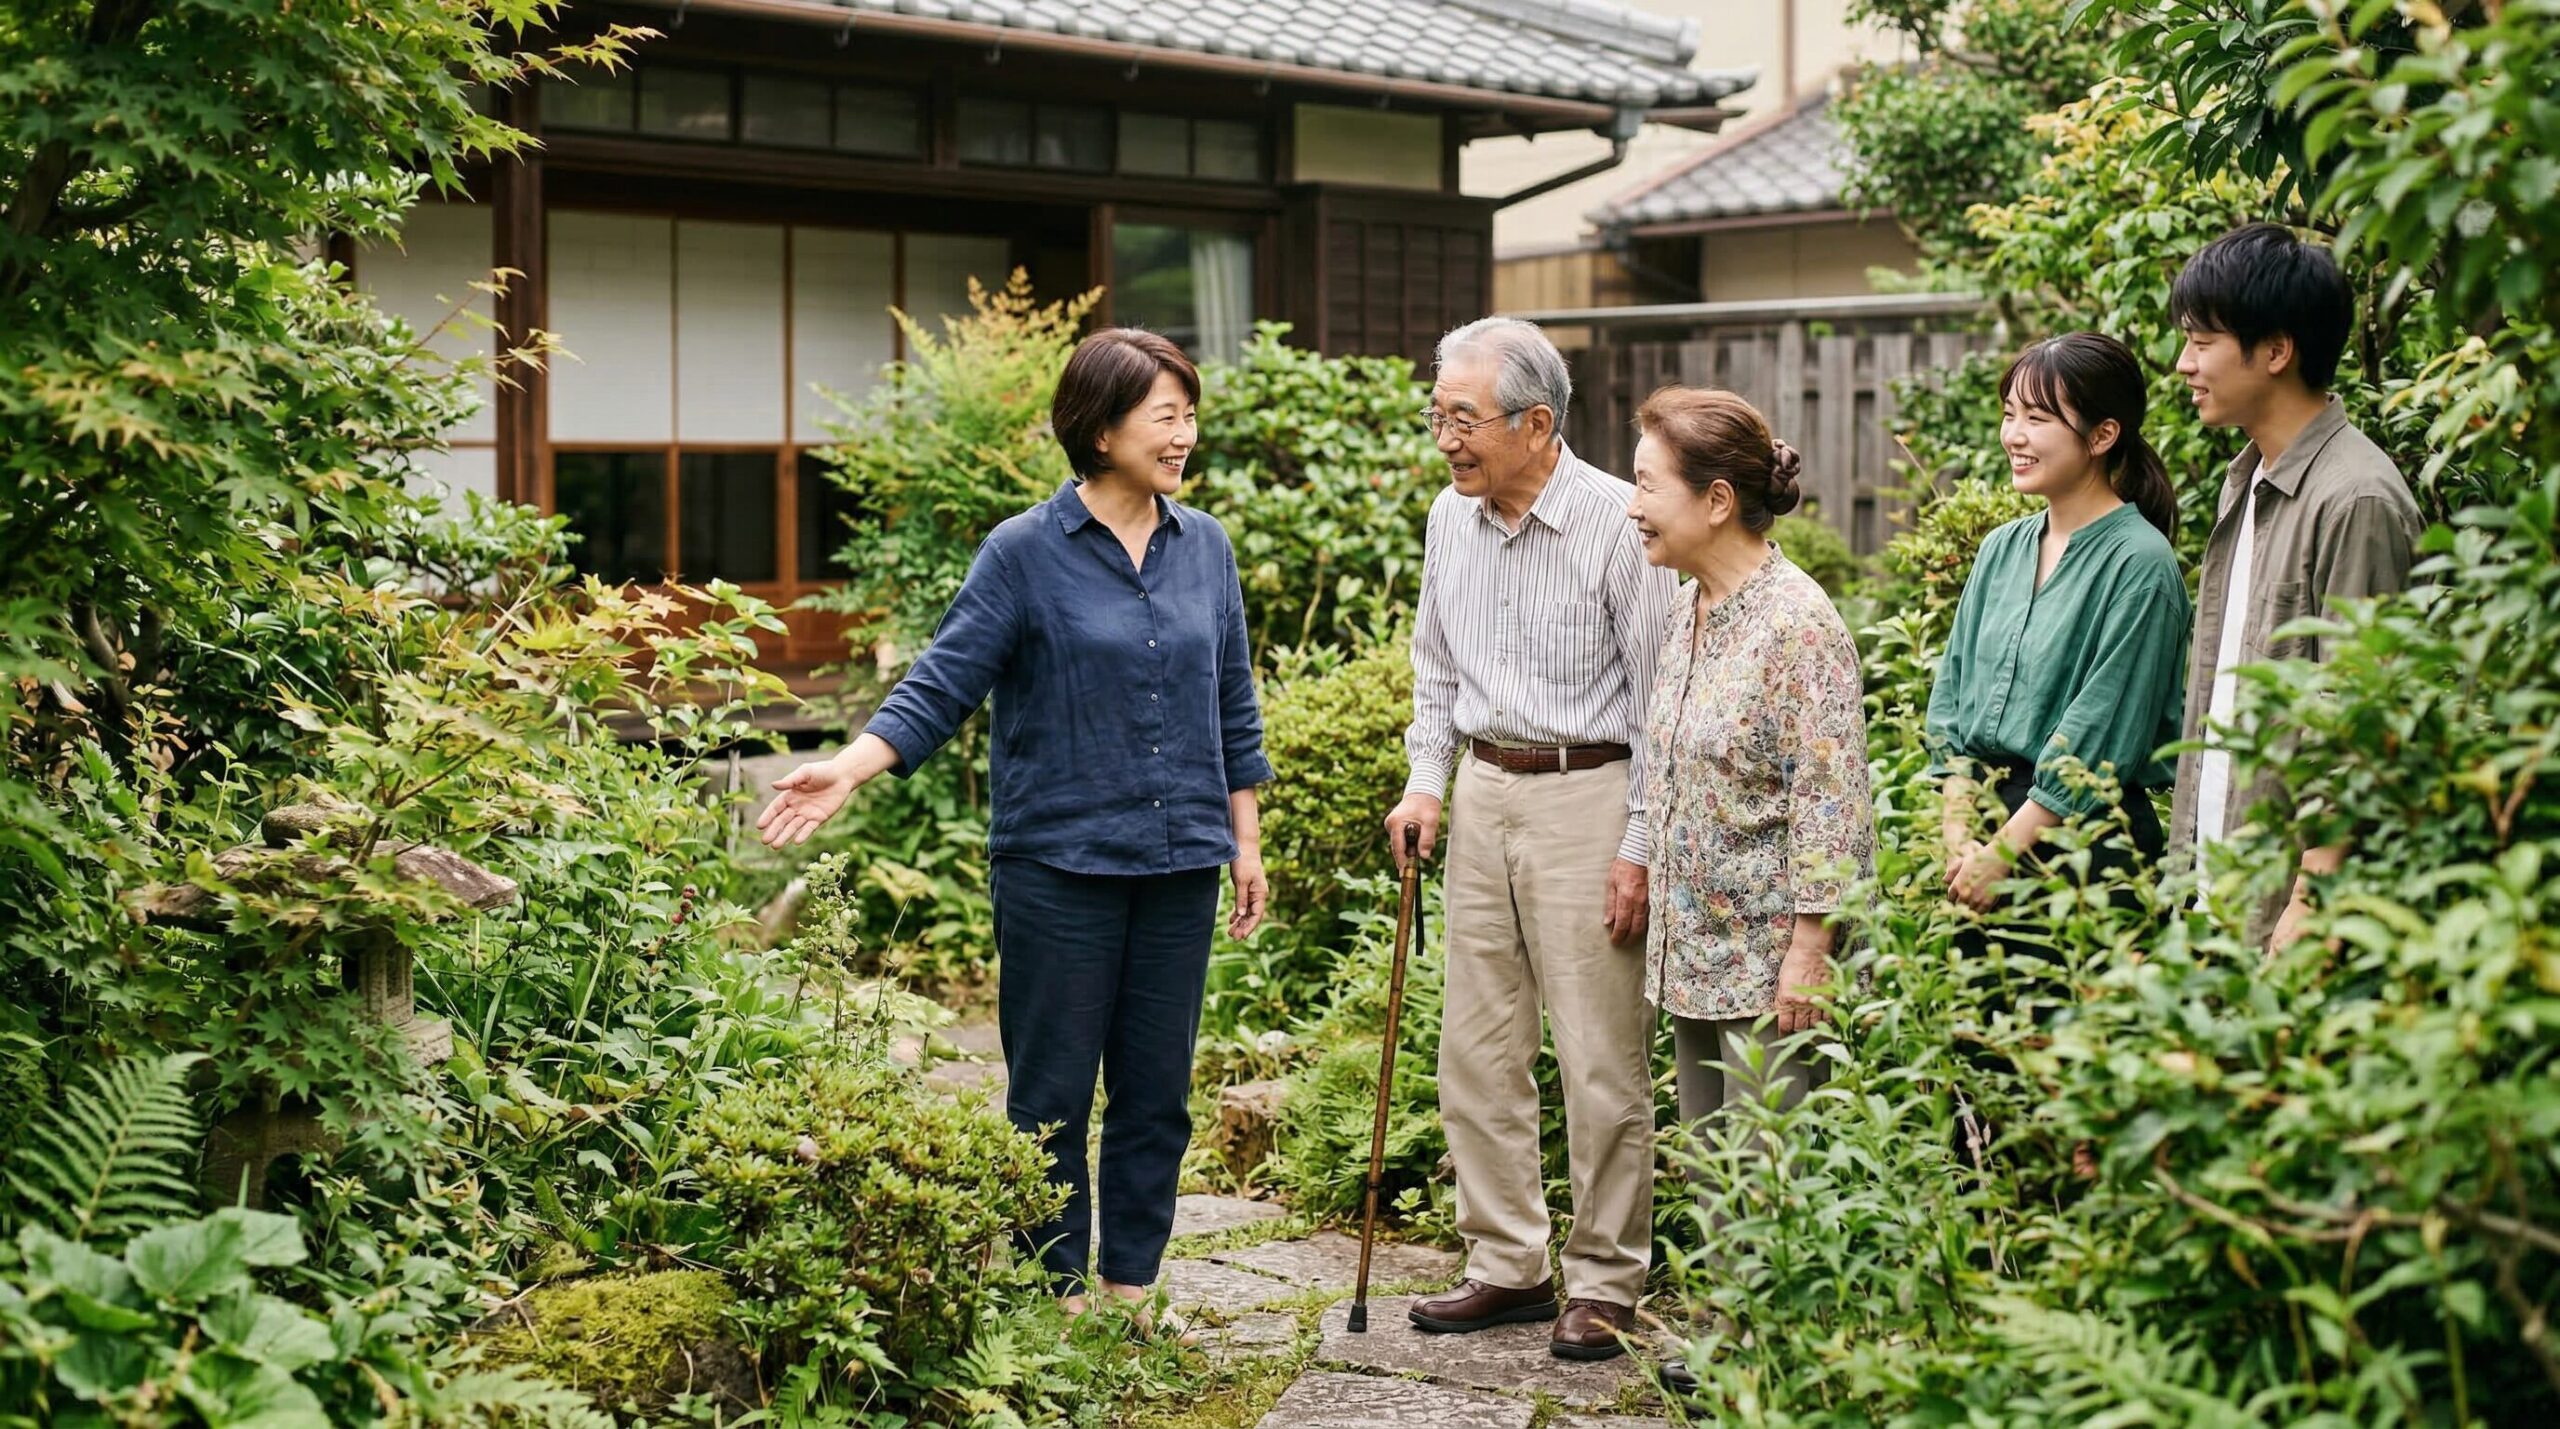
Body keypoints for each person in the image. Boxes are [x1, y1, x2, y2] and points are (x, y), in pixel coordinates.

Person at [755, 328, 1272, 1331]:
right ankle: (1054, 1297)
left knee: (1156, 1094)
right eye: (1167, 416)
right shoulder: (1025, 551)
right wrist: (851, 768)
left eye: (1189, 414)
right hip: (1058, 865)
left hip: (1179, 862)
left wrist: (1243, 840)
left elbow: (1231, 701)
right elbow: (943, 682)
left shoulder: (1203, 544)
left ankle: (1128, 1287)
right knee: (1050, 1096)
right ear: (1102, 426)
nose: (1186, 434)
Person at [1385, 316, 1676, 1363]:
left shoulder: (1614, 522)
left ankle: (1605, 1280)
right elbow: (1434, 669)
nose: (1444, 439)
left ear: (1537, 423)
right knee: (1475, 1047)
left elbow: (1655, 702)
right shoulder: (1446, 519)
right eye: (1438, 416)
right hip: (1482, 793)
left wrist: (1638, 845)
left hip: (1585, 792)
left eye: (1462, 419)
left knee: (1598, 1056)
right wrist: (1426, 784)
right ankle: (1506, 1261)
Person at [1622, 388, 1873, 1393]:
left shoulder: (1798, 624)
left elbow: (1833, 803)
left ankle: (1789, 1362)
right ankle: (1734, 1341)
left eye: (1646, 485)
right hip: (1694, 942)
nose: (1632, 504)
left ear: (1716, 499)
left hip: (1772, 952)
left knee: (1780, 1160)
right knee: (1717, 1160)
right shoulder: (1690, 610)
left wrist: (1811, 946)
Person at [2166, 224, 2423, 949]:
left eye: (2201, 341)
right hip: (2214, 891)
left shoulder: (2357, 497)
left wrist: (2313, 898)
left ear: (2276, 350)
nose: (2184, 363)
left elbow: (2358, 717)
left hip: (2287, 913)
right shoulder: (2246, 481)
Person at [1927, 333, 2190, 911]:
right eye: (2009, 414)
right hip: (1980, 839)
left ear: (2102, 435)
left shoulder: (2140, 564)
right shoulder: (2001, 548)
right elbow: (1953, 696)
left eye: (2038, 418)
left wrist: (2002, 855)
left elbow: (2100, 731)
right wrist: (1959, 836)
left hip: (2084, 850)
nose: (2014, 435)